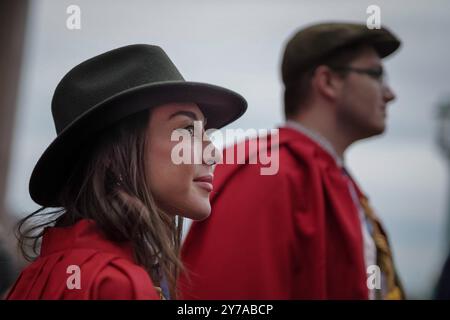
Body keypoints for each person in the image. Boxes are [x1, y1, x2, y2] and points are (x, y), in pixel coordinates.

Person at [179, 22, 405, 299]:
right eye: (376, 75)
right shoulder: (266, 171)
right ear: (328, 82)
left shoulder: (333, 178)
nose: (390, 94)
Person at [6, 44, 247, 300]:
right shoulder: (116, 285)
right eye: (187, 130)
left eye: (205, 133)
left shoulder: (36, 275)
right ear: (113, 154)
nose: (213, 153)